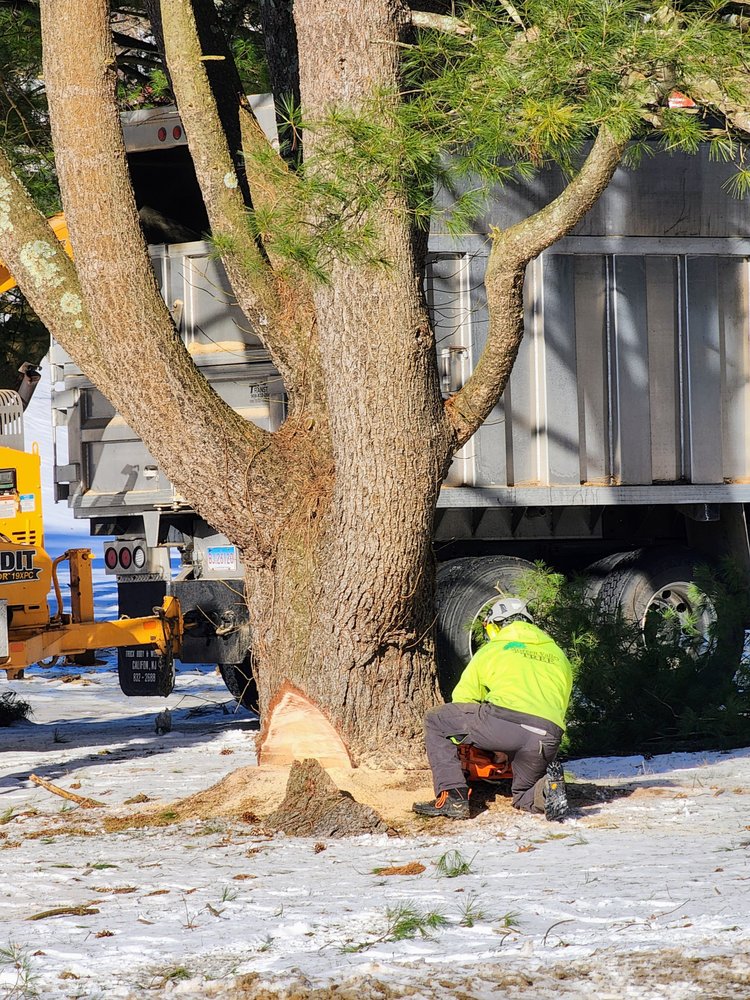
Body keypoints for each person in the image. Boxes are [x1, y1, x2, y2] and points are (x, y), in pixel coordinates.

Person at [413, 597, 573, 822]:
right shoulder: (558, 655)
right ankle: (547, 791)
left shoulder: (494, 649)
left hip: (503, 724)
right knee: (523, 795)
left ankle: (453, 796)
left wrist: (486, 747)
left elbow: (464, 698)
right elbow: (559, 706)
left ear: (497, 624)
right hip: (546, 736)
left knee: (437, 720)